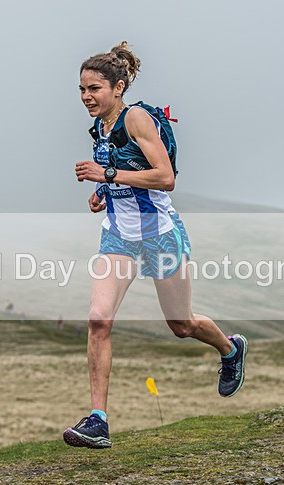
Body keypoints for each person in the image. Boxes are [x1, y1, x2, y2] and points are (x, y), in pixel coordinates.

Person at [63, 42, 247, 450]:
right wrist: (103, 193)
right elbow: (122, 173)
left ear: (118, 87)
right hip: (119, 237)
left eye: (94, 89)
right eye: (81, 90)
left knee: (181, 325)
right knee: (98, 320)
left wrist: (107, 176)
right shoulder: (100, 128)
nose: (86, 97)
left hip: (159, 234)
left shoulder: (137, 118)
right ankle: (98, 421)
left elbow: (165, 178)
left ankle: (229, 348)